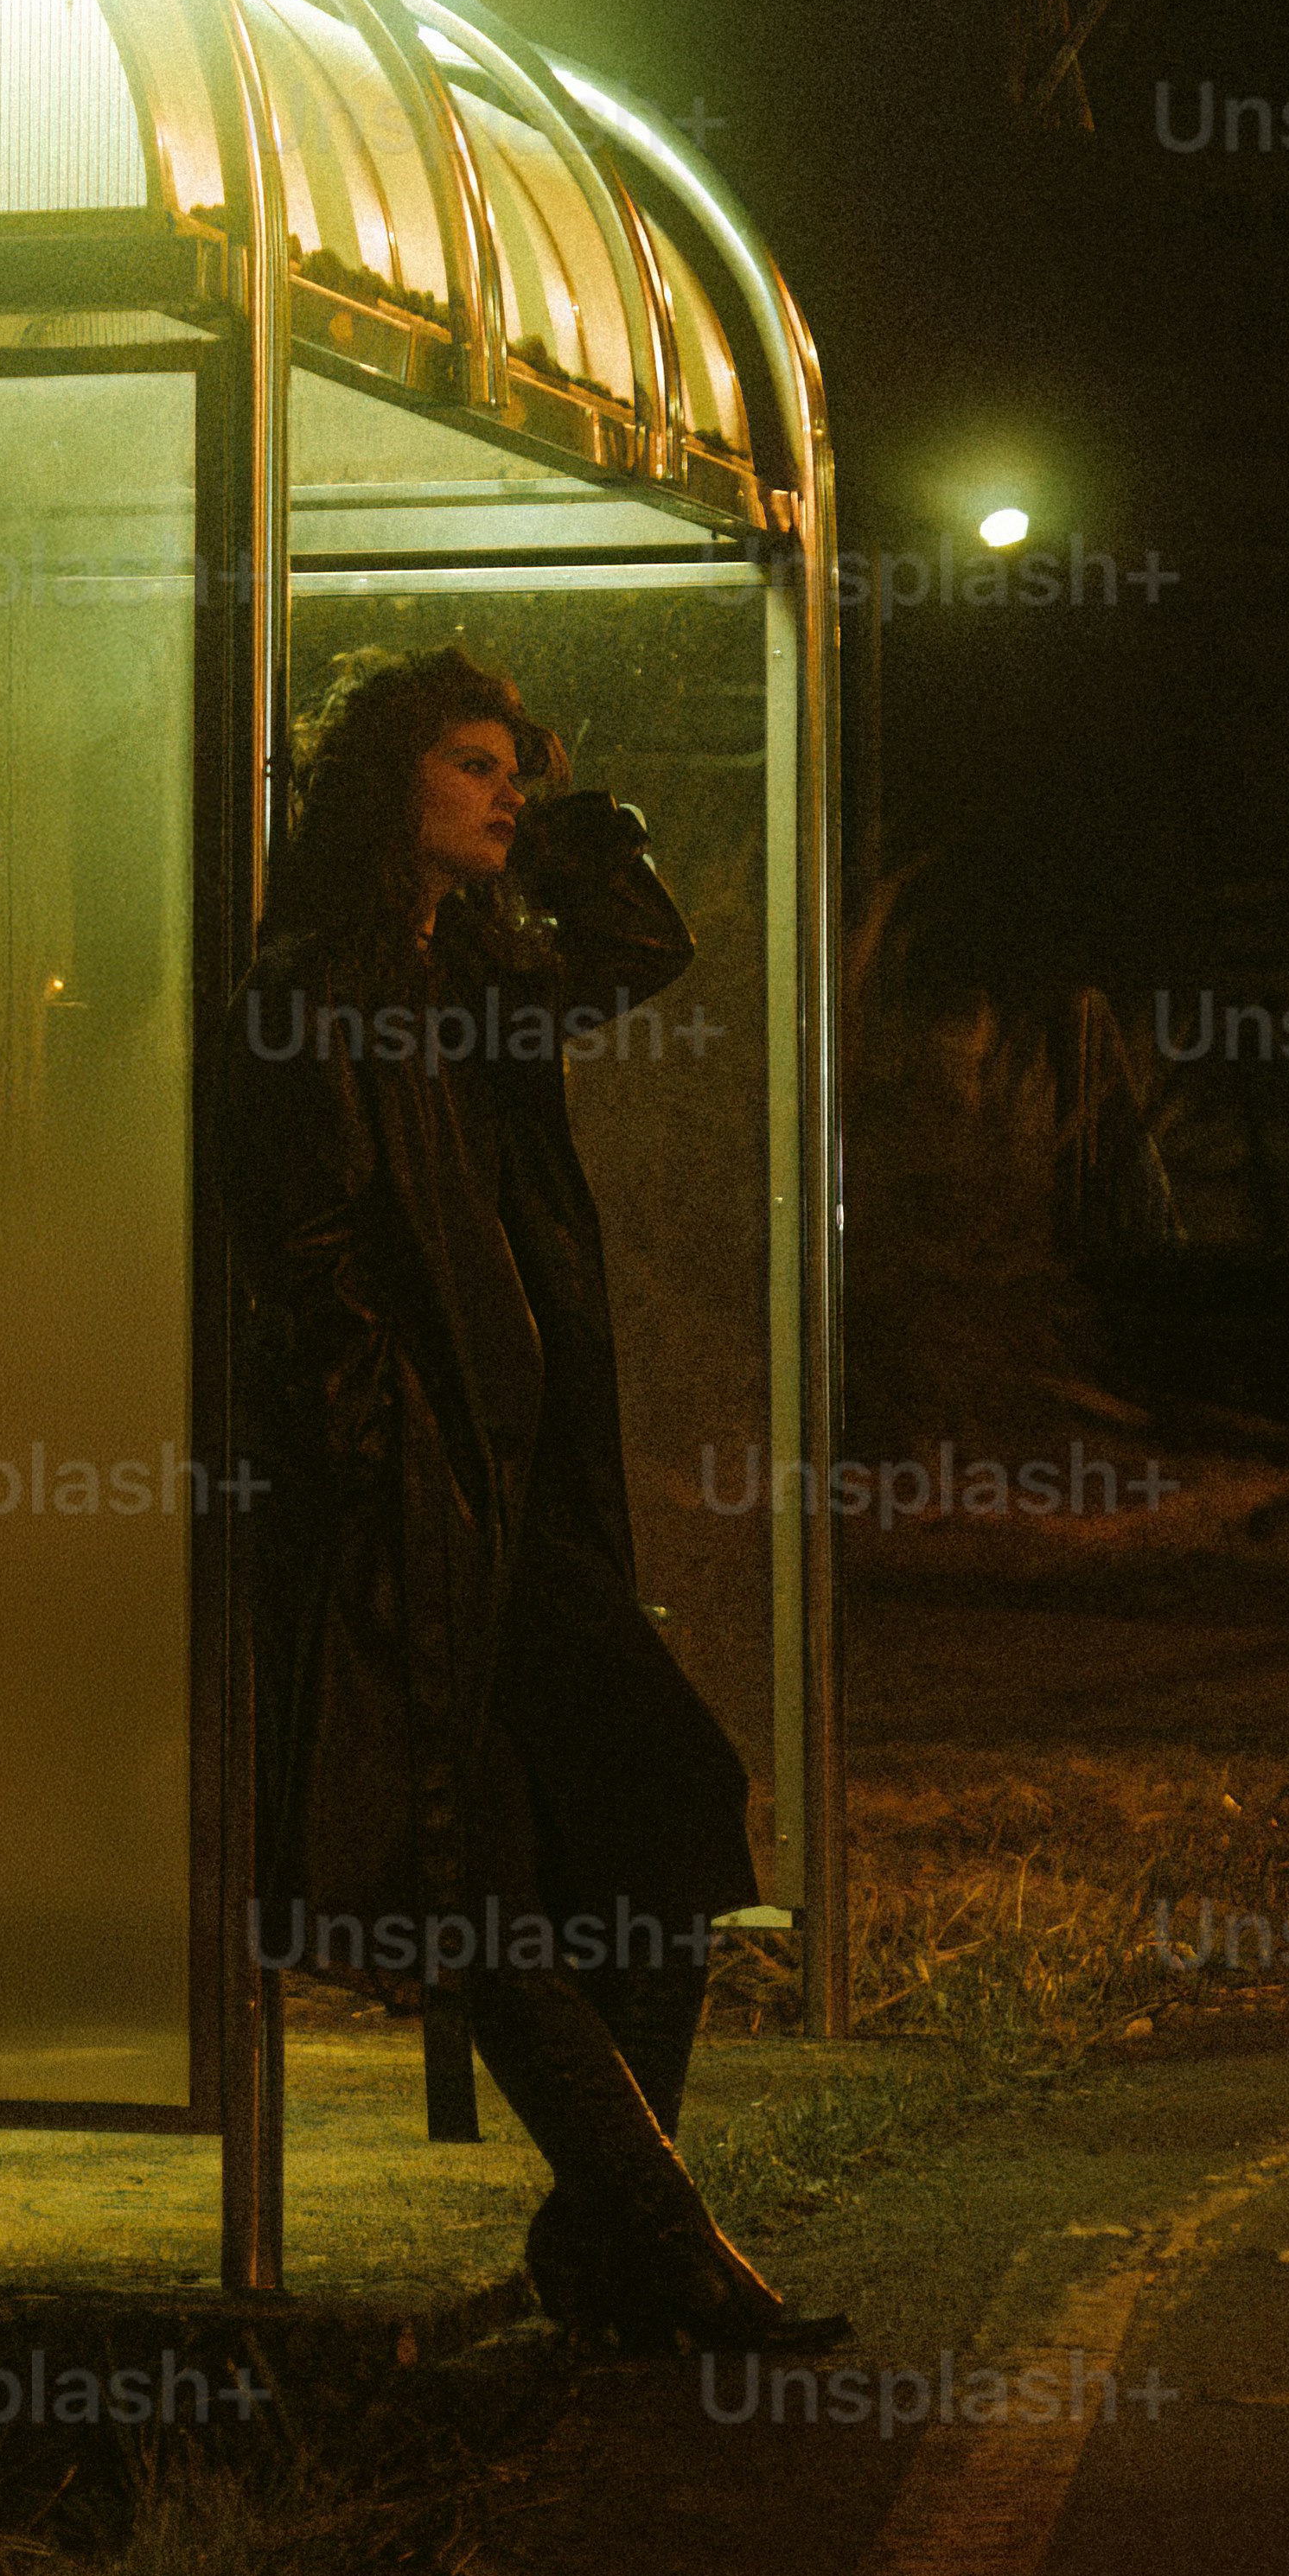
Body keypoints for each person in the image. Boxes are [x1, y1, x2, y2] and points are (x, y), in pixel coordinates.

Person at [218, 640, 846, 2354]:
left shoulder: (469, 979)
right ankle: (655, 2243)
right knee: (477, 1880)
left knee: (665, 1814)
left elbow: (643, 946)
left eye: (520, 768)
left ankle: (610, 2237)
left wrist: (567, 822)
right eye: (477, 765)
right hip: (420, 1510)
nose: (507, 790)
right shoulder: (313, 987)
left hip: (523, 1510)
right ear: (386, 789)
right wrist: (379, 1461)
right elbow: (312, 1258)